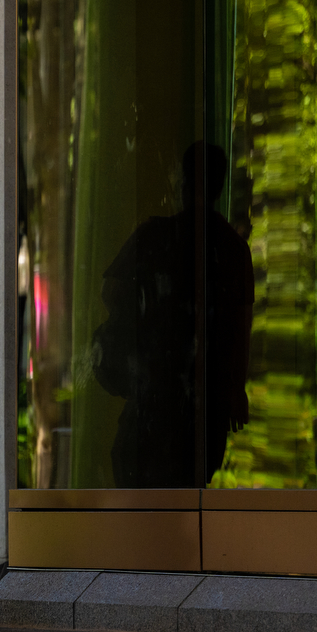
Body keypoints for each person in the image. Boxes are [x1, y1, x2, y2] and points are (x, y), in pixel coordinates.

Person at [92, 142, 253, 486]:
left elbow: (111, 292)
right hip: (205, 405)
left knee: (137, 487)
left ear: (182, 180)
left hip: (153, 395)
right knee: (188, 493)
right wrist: (235, 390)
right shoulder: (234, 248)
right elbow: (240, 329)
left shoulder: (154, 236)